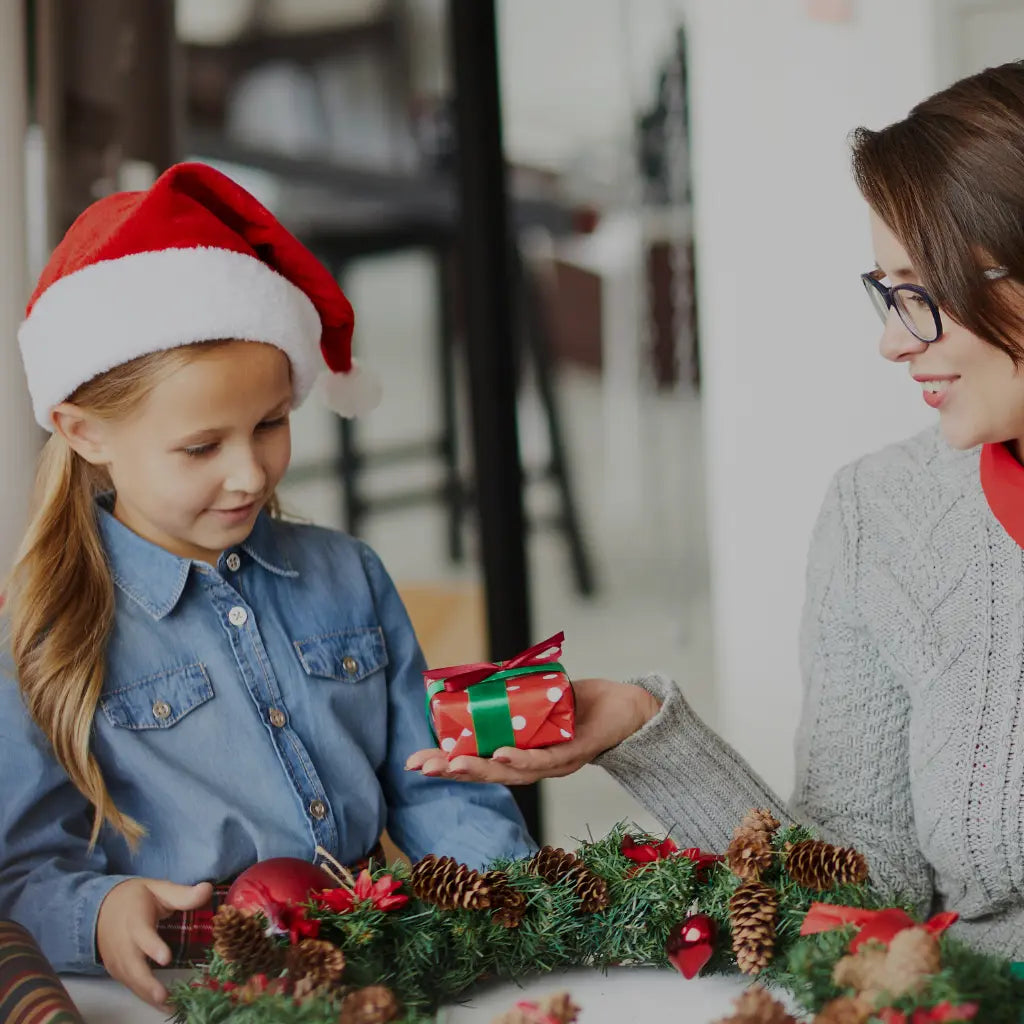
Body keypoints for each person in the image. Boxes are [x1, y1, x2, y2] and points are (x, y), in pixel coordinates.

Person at [408, 61, 1024, 962]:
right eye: (887, 292)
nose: (893, 341)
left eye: (923, 295)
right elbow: (859, 898)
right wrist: (644, 731)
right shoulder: (880, 516)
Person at [0, 162, 535, 1007]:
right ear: (83, 430)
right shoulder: (38, 630)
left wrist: (500, 898)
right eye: (202, 447)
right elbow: (20, 867)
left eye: (272, 424)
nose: (251, 472)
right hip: (186, 989)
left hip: (375, 971)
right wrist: (98, 912)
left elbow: (434, 780)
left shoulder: (348, 576)